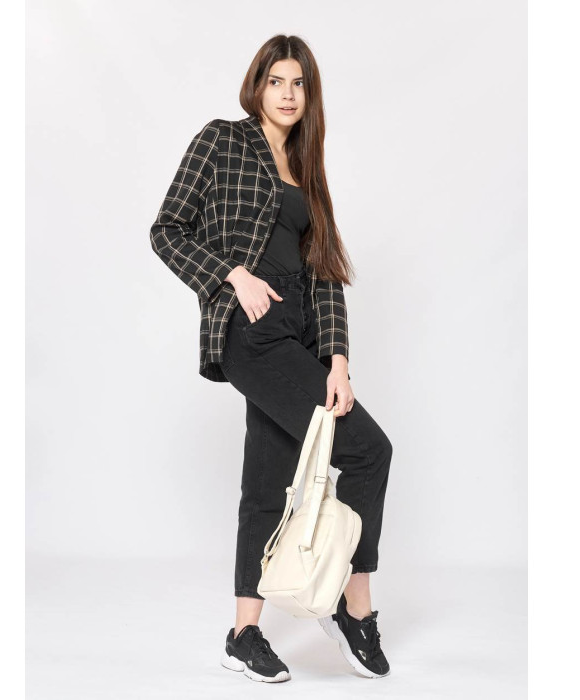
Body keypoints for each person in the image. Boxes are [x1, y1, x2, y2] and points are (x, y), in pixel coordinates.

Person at [149, 35, 393, 682]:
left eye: (298, 83)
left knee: (266, 481)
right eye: (276, 80)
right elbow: (166, 229)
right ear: (257, 85)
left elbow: (326, 273)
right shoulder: (222, 140)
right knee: (368, 450)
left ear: (310, 94)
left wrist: (337, 359)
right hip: (250, 330)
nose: (287, 94)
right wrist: (232, 276)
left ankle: (242, 634)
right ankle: (354, 607)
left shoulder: (308, 168)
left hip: (301, 336)